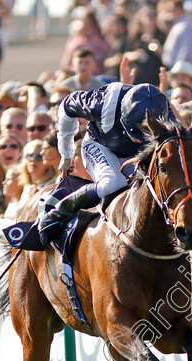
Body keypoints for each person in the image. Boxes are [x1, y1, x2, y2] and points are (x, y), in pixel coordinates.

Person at [36, 83, 174, 243]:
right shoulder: (100, 103)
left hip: (136, 154)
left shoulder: (166, 115)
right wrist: (66, 154)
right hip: (99, 144)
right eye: (135, 131)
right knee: (113, 183)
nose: (138, 138)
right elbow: (67, 106)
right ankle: (59, 211)